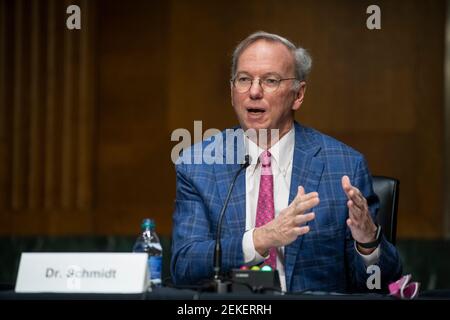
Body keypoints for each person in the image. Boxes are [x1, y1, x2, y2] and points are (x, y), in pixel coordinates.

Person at [171, 31, 402, 293]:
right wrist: (261, 239)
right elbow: (184, 266)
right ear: (232, 90)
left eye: (270, 80)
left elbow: (380, 284)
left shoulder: (345, 167)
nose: (254, 92)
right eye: (244, 79)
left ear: (298, 94)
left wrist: (368, 242)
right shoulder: (199, 165)